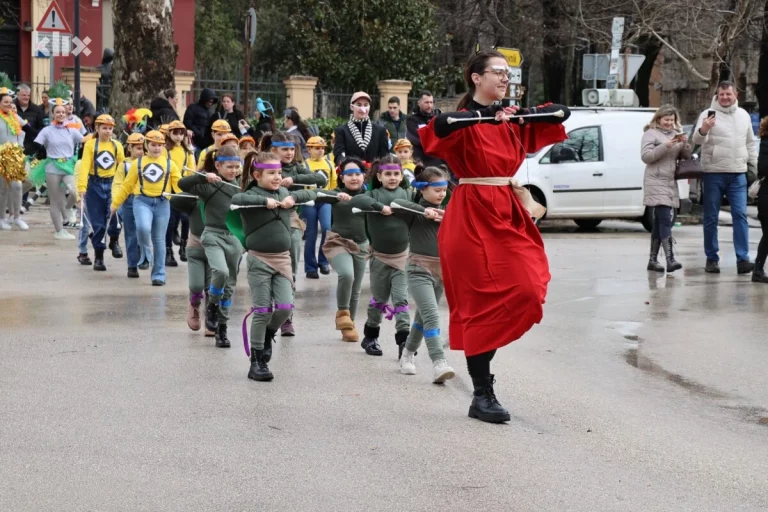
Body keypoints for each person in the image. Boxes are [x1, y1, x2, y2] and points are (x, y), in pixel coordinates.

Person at [418, 49, 569, 423]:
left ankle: (483, 387)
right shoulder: (462, 121)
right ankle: (482, 392)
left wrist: (518, 114)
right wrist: (479, 116)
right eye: (498, 73)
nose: (505, 79)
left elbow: (562, 112)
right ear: (475, 77)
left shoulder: (513, 121)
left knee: (528, 288)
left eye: (508, 74)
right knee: (479, 305)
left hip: (508, 207)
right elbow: (436, 131)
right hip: (471, 214)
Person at [235, 151, 317, 381]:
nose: (277, 177)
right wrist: (264, 201)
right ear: (256, 174)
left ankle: (269, 332)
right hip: (259, 260)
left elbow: (312, 190)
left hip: (282, 260)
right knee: (262, 310)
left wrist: (293, 198)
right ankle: (257, 360)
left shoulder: (283, 191)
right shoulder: (251, 194)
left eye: (279, 172)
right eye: (271, 173)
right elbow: (237, 200)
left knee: (285, 307)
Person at [262, 131, 327, 336]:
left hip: (291, 221)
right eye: (285, 149)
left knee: (290, 268)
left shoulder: (297, 167)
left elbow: (320, 179)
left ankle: (287, 315)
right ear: (274, 150)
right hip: (266, 220)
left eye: (292, 149)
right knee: (267, 267)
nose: (289, 153)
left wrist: (293, 178)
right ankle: (266, 309)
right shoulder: (264, 164)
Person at [394, 165, 455, 383]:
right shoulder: (414, 211)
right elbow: (396, 203)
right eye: (436, 189)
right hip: (418, 270)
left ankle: (408, 354)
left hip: (441, 272)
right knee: (431, 315)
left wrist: (446, 216)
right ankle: (439, 362)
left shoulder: (449, 209)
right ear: (422, 189)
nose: (441, 193)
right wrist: (424, 211)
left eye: (444, 189)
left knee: (422, 319)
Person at [179, 145, 243, 348]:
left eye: (236, 166)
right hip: (212, 235)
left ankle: (221, 330)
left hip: (234, 239)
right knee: (220, 272)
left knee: (230, 286)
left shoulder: (242, 186)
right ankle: (211, 305)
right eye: (229, 167)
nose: (233, 171)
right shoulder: (210, 186)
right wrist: (203, 177)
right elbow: (182, 184)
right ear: (217, 166)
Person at [349, 155, 413, 357]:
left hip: (402, 258)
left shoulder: (409, 194)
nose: (392, 177)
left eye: (396, 173)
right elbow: (357, 199)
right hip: (380, 259)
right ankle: (370, 336)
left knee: (401, 300)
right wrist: (379, 207)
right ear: (379, 176)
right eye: (388, 174)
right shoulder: (373, 195)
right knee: (379, 300)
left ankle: (404, 341)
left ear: (402, 175)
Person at [692, 81, 757, 274]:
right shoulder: (707, 114)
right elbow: (696, 140)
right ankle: (712, 258)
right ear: (717, 95)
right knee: (711, 217)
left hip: (738, 173)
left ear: (735, 94)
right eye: (722, 95)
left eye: (729, 94)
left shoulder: (743, 115)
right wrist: (704, 128)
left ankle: (743, 259)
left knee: (740, 216)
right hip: (713, 173)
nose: (725, 98)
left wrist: (753, 167)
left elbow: (750, 143)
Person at [110, 130, 182, 286]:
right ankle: (145, 255)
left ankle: (159, 274)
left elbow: (179, 186)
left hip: (163, 203)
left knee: (159, 240)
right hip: (142, 201)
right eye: (153, 145)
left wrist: (190, 199)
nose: (156, 148)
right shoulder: (138, 163)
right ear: (146, 146)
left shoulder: (170, 164)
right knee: (142, 227)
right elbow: (127, 186)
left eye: (160, 145)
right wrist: (115, 205)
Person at [315, 157, 369, 342]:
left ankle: (349, 324)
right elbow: (317, 194)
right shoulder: (336, 194)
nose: (354, 178)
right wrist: (336, 196)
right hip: (339, 242)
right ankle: (342, 315)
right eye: (349, 174)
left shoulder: (370, 196)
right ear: (342, 177)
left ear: (364, 176)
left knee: (356, 288)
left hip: (362, 245)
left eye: (357, 174)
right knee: (347, 275)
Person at [641, 105, 691, 274]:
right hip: (655, 180)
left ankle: (653, 260)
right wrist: (666, 146)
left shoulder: (675, 134)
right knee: (664, 218)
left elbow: (686, 157)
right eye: (666, 120)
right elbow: (646, 157)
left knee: (659, 221)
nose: (670, 123)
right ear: (658, 119)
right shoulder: (650, 133)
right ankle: (670, 259)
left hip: (670, 181)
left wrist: (685, 144)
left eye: (672, 120)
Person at [29, 96, 85, 240]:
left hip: (68, 166)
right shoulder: (47, 130)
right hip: (52, 167)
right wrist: (28, 153)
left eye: (63, 112)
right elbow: (36, 144)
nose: (61, 114)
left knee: (75, 191)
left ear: (66, 114)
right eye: (58, 112)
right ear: (53, 114)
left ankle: (67, 210)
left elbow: (85, 140)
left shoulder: (71, 131)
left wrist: (99, 134)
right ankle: (59, 231)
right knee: (55, 201)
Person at [77, 114, 125, 271]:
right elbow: (84, 166)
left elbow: (122, 167)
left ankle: (114, 239)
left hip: (112, 184)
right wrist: (82, 187)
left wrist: (124, 186)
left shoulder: (117, 146)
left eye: (110, 128)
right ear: (97, 128)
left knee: (115, 216)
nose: (107, 131)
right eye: (104, 128)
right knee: (98, 222)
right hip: (95, 185)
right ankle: (99, 256)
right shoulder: (91, 145)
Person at [303, 136, 336, 278]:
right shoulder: (304, 165)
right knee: (310, 234)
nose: (320, 151)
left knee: (327, 228)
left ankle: (323, 261)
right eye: (317, 148)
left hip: (325, 200)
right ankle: (310, 267)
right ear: (309, 149)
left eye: (322, 148)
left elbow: (333, 184)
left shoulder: (329, 164)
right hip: (309, 201)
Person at [0, 85, 32, 231]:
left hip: (14, 156)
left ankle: (16, 217)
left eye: (10, 102)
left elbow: (27, 129)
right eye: (5, 102)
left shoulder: (14, 116)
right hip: (1, 156)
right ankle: (1, 218)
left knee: (18, 185)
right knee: (3, 188)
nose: (8, 105)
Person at [165, 119, 196, 267]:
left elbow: (191, 170)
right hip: (169, 189)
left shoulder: (186, 151)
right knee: (170, 222)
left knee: (186, 219)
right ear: (169, 133)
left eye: (181, 133)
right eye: (175, 133)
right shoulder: (165, 150)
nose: (178, 136)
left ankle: (184, 245)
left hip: (183, 189)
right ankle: (168, 250)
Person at [116, 133, 145, 278]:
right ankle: (132, 265)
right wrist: (116, 201)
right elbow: (118, 184)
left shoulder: (149, 163)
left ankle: (143, 254)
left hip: (146, 200)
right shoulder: (124, 165)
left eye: (143, 148)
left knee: (144, 229)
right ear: (130, 148)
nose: (141, 152)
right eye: (138, 148)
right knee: (131, 234)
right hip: (128, 201)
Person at [333, 91, 389, 163]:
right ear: (351, 107)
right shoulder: (341, 131)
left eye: (366, 105)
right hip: (351, 172)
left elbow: (384, 156)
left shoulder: (380, 131)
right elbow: (339, 154)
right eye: (359, 105)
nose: (363, 109)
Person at [406, 90, 444, 167]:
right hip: (420, 160)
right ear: (419, 103)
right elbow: (416, 138)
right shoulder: (412, 120)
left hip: (438, 160)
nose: (429, 105)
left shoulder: (438, 118)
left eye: (431, 102)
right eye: (426, 102)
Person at [183, 88, 218, 153]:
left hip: (207, 143)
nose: (210, 103)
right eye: (208, 101)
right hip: (195, 142)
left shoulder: (211, 111)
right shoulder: (193, 107)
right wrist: (197, 132)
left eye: (211, 102)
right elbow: (187, 122)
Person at [14, 84, 44, 155]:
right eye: (24, 95)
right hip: (13, 146)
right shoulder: (12, 107)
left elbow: (41, 128)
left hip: (31, 147)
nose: (26, 97)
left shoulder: (36, 109)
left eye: (28, 95)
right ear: (17, 95)